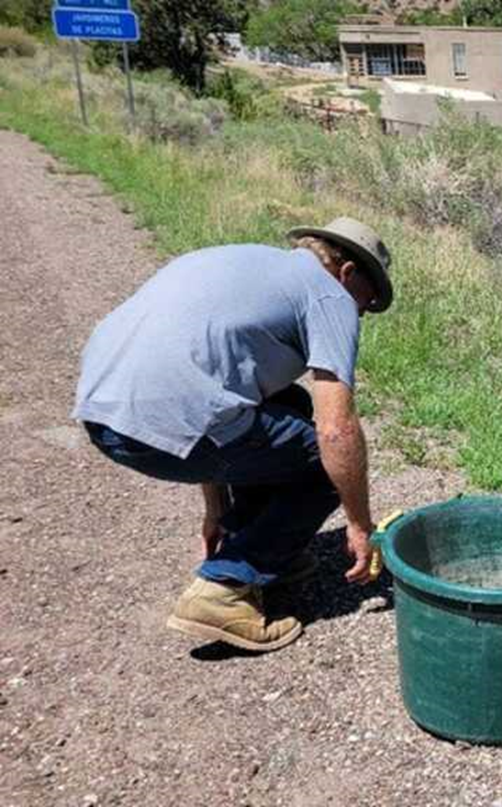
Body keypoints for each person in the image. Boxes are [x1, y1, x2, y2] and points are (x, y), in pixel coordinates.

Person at [72, 216, 393, 653]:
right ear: (348, 273)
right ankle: (223, 589)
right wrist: (359, 524)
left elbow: (213, 389)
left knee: (291, 407)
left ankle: (258, 549)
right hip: (155, 432)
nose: (362, 313)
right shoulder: (329, 296)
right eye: (368, 301)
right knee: (328, 466)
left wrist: (217, 511)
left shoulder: (241, 260)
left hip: (102, 415)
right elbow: (337, 430)